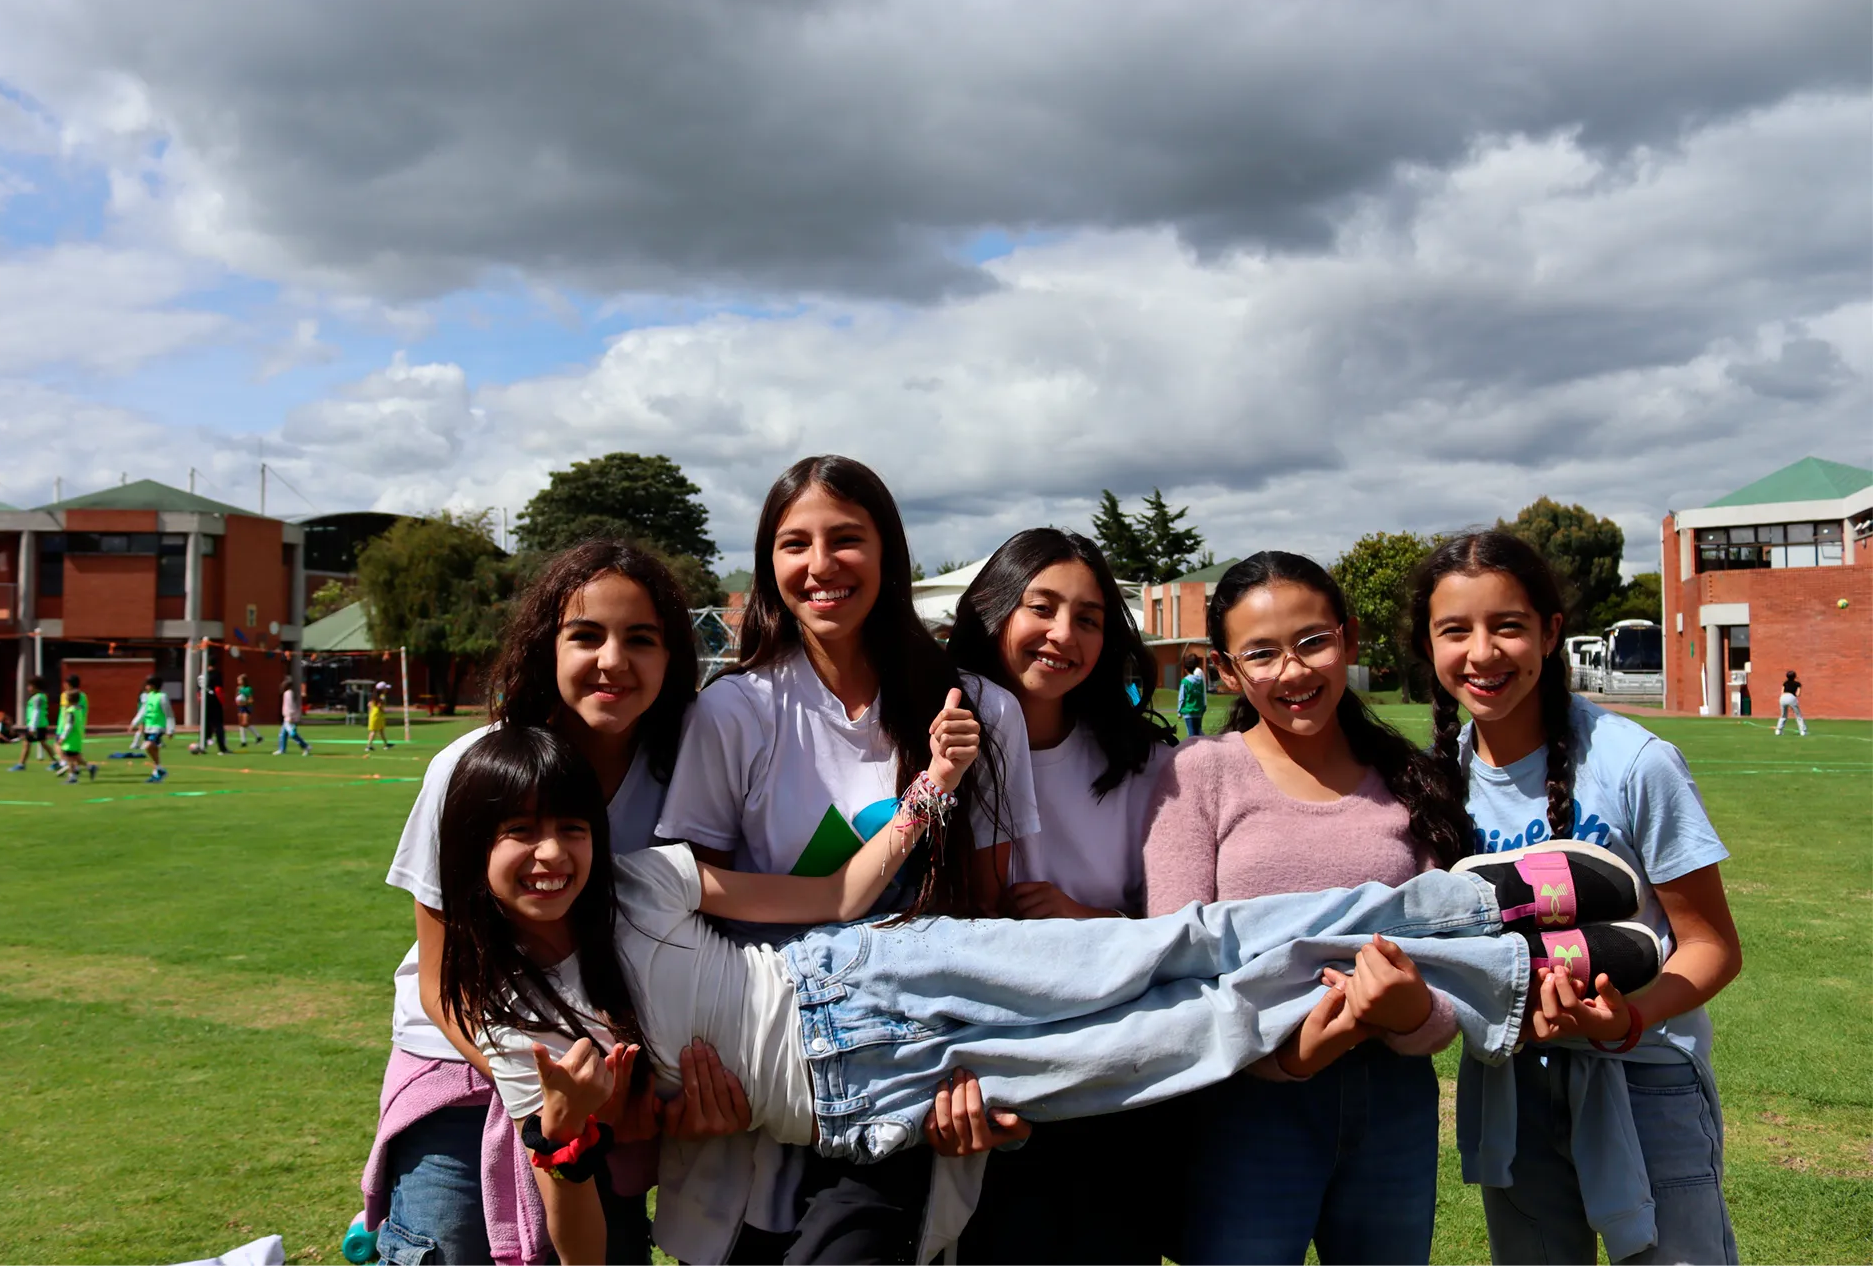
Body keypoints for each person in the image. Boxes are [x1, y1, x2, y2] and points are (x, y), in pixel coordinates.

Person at [442, 724, 1659, 1266]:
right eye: (517, 838)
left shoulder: (646, 879)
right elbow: (593, 1219)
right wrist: (578, 1132)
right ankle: (1517, 964)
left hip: (869, 971)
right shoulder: (510, 1026)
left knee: (1178, 947)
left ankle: (1469, 902)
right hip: (869, 1095)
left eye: (565, 829)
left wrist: (928, 792)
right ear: (469, 853)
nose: (549, 857)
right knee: (1195, 1034)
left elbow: (830, 897)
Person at [651, 455, 1039, 1265]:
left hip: (910, 1067)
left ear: (889, 554)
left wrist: (969, 1065)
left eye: (846, 540)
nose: (820, 566)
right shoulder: (735, 709)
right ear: (769, 565)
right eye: (795, 544)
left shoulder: (976, 706)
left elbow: (989, 916)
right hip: (767, 1066)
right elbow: (696, 907)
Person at [368, 540, 750, 1266]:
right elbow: (438, 977)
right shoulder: (473, 766)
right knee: (450, 1248)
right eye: (586, 635)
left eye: (642, 638)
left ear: (674, 660)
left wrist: (625, 1094)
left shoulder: (686, 781)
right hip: (465, 1069)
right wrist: (538, 1101)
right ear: (547, 646)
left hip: (606, 1079)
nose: (614, 660)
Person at [1142, 551, 1516, 1264]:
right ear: (1226, 670)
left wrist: (1412, 1013)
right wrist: (1298, 1053)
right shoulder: (1200, 775)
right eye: (1262, 653)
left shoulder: (1410, 779)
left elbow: (1458, 962)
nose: (1294, 671)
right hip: (1242, 1108)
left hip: (1393, 1107)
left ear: (1347, 638)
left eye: (1313, 641)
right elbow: (1179, 964)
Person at [1410, 530, 1743, 1265]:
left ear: (1551, 631)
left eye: (1508, 625)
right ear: (1428, 644)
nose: (1483, 652)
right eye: (1455, 630)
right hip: (1511, 1086)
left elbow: (1713, 945)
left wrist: (1629, 1017)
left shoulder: (1635, 763)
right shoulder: (1433, 782)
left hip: (1645, 1078)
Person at [942, 527, 1178, 1264]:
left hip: (1113, 1077)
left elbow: (1179, 922)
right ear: (992, 613)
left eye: (1089, 617)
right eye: (1040, 608)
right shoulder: (936, 751)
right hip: (986, 1076)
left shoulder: (1146, 763)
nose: (1063, 635)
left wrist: (1089, 921)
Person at [8, 676, 60, 772]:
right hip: (40, 725)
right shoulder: (41, 697)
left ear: (36, 687)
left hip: (36, 726)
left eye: (30, 686)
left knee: (27, 743)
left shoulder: (37, 698)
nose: (28, 688)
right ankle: (55, 762)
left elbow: (36, 712)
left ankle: (21, 764)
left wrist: (32, 727)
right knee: (42, 743)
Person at [129, 675, 174, 783]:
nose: (146, 687)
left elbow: (169, 714)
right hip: (148, 728)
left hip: (158, 727)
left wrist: (170, 729)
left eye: (148, 685)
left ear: (153, 686)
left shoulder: (162, 697)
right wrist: (134, 723)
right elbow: (143, 711)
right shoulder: (149, 696)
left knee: (149, 746)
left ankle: (158, 769)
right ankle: (158, 771)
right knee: (153, 749)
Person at [56, 686, 97, 784]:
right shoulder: (79, 710)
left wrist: (63, 737)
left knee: (69, 758)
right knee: (76, 757)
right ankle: (90, 767)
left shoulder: (70, 711)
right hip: (77, 737)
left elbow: (69, 726)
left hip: (71, 738)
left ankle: (72, 777)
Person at [195, 672, 230, 755]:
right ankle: (222, 748)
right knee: (218, 725)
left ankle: (202, 746)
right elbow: (218, 690)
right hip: (214, 703)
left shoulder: (201, 675)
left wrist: (200, 702)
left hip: (204, 704)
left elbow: (198, 692)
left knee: (205, 725)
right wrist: (222, 702)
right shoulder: (216, 675)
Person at [274, 681, 312, 755]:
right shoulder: (288, 693)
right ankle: (282, 749)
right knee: (283, 734)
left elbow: (290, 705)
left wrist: (290, 716)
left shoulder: (288, 693)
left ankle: (306, 746)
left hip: (289, 717)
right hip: (287, 717)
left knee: (292, 734)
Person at [1177, 651, 1208, 737]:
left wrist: (1179, 711)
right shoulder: (1199, 681)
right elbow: (1201, 695)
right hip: (1198, 711)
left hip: (1189, 712)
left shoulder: (1185, 682)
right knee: (1198, 733)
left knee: (1191, 736)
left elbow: (1181, 697)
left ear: (1185, 669)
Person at [1773, 669, 1807, 737]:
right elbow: (1798, 694)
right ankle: (1803, 731)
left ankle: (1778, 730)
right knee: (1798, 715)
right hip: (1791, 697)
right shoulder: (1798, 684)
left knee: (1783, 715)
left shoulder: (1785, 683)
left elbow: (1782, 692)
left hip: (1782, 698)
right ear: (1795, 676)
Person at [366, 681, 394, 755]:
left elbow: (369, 705)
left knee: (381, 730)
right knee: (374, 731)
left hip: (374, 714)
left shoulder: (373, 696)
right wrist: (385, 711)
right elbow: (379, 705)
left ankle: (386, 744)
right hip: (377, 715)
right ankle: (368, 745)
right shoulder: (381, 697)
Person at [236, 674, 265, 745]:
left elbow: (251, 700)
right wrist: (238, 702)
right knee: (241, 724)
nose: (238, 681)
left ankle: (258, 737)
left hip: (247, 707)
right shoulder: (238, 688)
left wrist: (244, 702)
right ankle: (244, 741)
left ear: (244, 681)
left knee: (245, 723)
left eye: (240, 680)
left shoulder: (248, 689)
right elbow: (237, 698)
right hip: (241, 707)